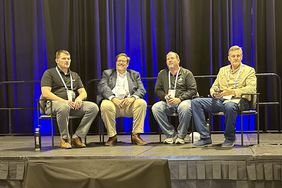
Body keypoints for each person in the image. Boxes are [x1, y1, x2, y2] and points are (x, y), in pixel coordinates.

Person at [192, 45, 257, 147]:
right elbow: (213, 87)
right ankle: (205, 137)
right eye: (233, 56)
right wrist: (214, 93)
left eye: (238, 56)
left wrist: (233, 92)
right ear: (229, 58)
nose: (235, 58)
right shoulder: (222, 70)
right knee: (196, 102)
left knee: (229, 106)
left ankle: (229, 138)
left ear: (242, 57)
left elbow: (251, 89)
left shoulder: (249, 70)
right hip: (221, 100)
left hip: (240, 101)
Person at [41, 50, 99, 149]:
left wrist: (79, 99)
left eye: (68, 59)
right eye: (64, 58)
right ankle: (64, 139)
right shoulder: (49, 73)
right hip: (54, 104)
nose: (67, 60)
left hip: (71, 105)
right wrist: (64, 101)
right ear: (57, 60)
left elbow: (83, 92)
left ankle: (77, 137)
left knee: (93, 107)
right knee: (64, 107)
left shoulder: (74, 75)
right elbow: (45, 93)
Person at [98, 53, 147, 146]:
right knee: (105, 105)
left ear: (127, 64)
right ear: (116, 62)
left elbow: (142, 89)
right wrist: (113, 98)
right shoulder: (107, 73)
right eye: (119, 61)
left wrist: (132, 98)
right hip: (113, 104)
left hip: (128, 104)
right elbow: (102, 87)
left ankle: (136, 135)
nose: (121, 62)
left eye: (123, 61)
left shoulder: (134, 74)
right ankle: (112, 136)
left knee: (141, 103)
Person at [152, 51, 197, 144]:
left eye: (172, 58)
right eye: (168, 59)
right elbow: (157, 90)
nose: (170, 60)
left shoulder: (186, 73)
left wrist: (179, 99)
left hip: (183, 101)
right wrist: (165, 96)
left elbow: (193, 90)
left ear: (178, 60)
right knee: (156, 107)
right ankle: (171, 135)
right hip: (168, 102)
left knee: (185, 107)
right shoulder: (162, 74)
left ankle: (181, 136)